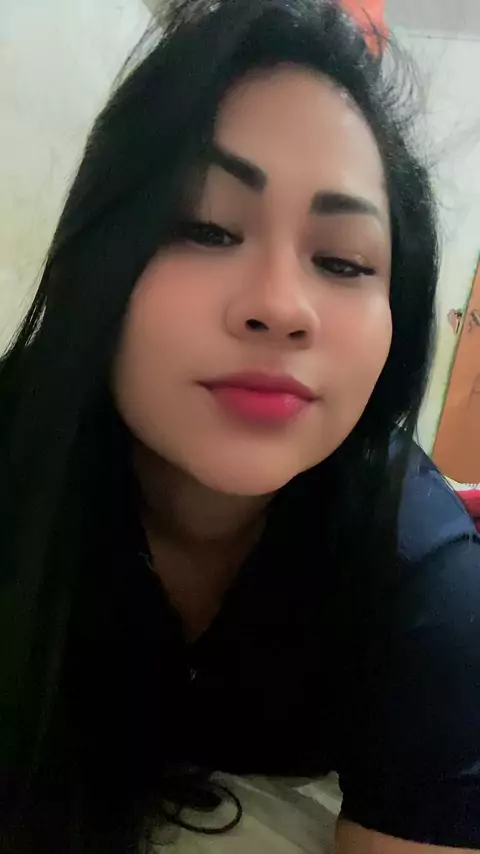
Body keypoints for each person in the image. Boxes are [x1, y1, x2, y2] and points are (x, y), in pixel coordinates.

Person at [0, 0, 479, 851]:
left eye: (342, 260)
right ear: (96, 255)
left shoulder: (425, 583)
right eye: (206, 227)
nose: (282, 307)